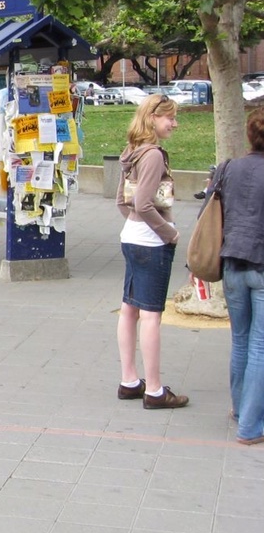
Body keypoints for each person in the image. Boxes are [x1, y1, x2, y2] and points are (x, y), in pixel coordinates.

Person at [115, 93, 188, 409]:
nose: (174, 123)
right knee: (151, 315)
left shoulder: (131, 151)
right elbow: (144, 203)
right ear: (152, 118)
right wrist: (169, 233)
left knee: (129, 309)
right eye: (169, 117)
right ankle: (155, 389)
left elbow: (124, 201)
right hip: (150, 242)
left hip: (131, 236)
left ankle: (129, 380)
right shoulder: (154, 155)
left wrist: (135, 223)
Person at [215, 106, 264, 444]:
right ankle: (250, 424)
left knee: (241, 340)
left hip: (231, 262)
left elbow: (211, 215)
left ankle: (239, 408)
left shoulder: (229, 167)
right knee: (260, 345)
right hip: (261, 265)